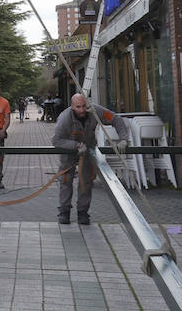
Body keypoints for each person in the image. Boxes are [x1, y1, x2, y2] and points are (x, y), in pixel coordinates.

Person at [50, 93, 130, 225]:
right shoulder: (64, 119)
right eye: (78, 107)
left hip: (88, 150)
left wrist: (124, 139)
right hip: (69, 150)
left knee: (86, 182)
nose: (82, 110)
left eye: (84, 106)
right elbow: (56, 140)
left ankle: (83, 212)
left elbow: (115, 119)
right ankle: (64, 212)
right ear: (72, 107)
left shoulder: (96, 110)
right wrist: (75, 145)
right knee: (65, 180)